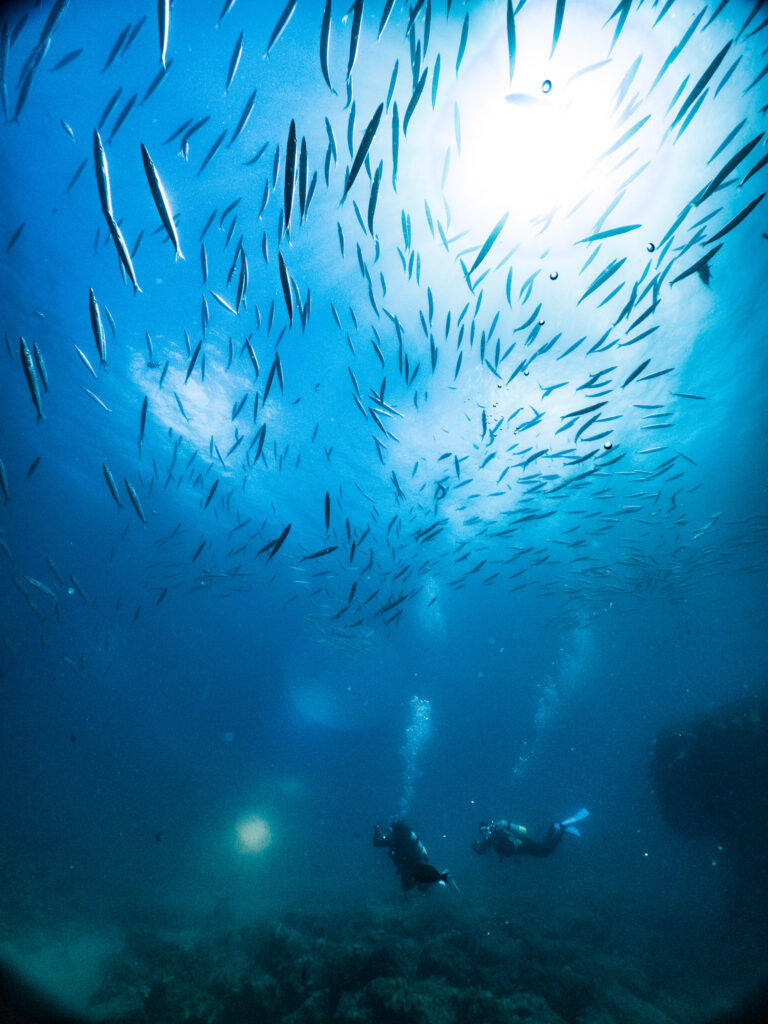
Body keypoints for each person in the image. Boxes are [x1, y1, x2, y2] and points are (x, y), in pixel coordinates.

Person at [472, 809, 589, 861]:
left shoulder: (497, 833)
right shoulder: (490, 839)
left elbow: (508, 845)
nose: (485, 833)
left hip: (524, 844)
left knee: (546, 851)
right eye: (482, 832)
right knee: (545, 852)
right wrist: (475, 846)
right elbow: (481, 851)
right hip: (522, 849)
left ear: (489, 827)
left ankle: (561, 828)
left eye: (485, 829)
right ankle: (555, 828)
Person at [373, 820, 452, 892]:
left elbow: (376, 843)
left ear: (394, 831)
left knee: (407, 886)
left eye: (390, 831)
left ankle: (438, 879)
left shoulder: (394, 840)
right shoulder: (407, 836)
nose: (389, 833)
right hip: (417, 860)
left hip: (408, 864)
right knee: (420, 879)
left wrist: (377, 829)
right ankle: (439, 878)